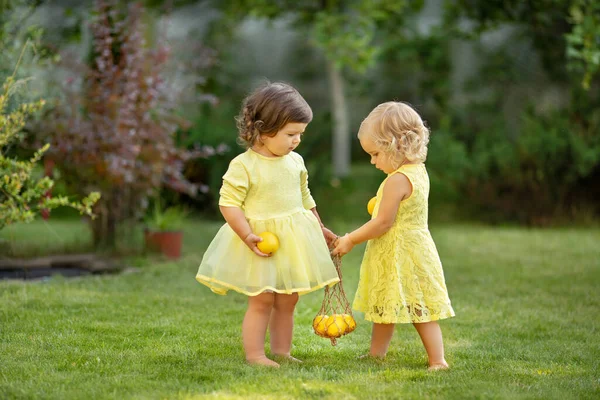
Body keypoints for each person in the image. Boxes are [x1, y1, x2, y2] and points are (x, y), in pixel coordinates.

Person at [196, 82, 339, 367]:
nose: (297, 140)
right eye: (290, 134)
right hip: (261, 241)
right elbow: (228, 203)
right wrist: (247, 234)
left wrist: (318, 226)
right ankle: (255, 355)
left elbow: (304, 197)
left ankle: (282, 351)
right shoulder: (244, 165)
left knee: (288, 300)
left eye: (300, 134)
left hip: (293, 240)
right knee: (262, 300)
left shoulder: (295, 160)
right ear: (263, 129)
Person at [332, 101, 455, 370]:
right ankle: (377, 354)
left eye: (375, 154)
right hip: (410, 247)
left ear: (395, 145)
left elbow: (383, 223)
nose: (372, 161)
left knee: (419, 309)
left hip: (402, 251)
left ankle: (438, 359)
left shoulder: (397, 180)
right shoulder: (417, 172)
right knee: (385, 303)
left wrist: (350, 238)